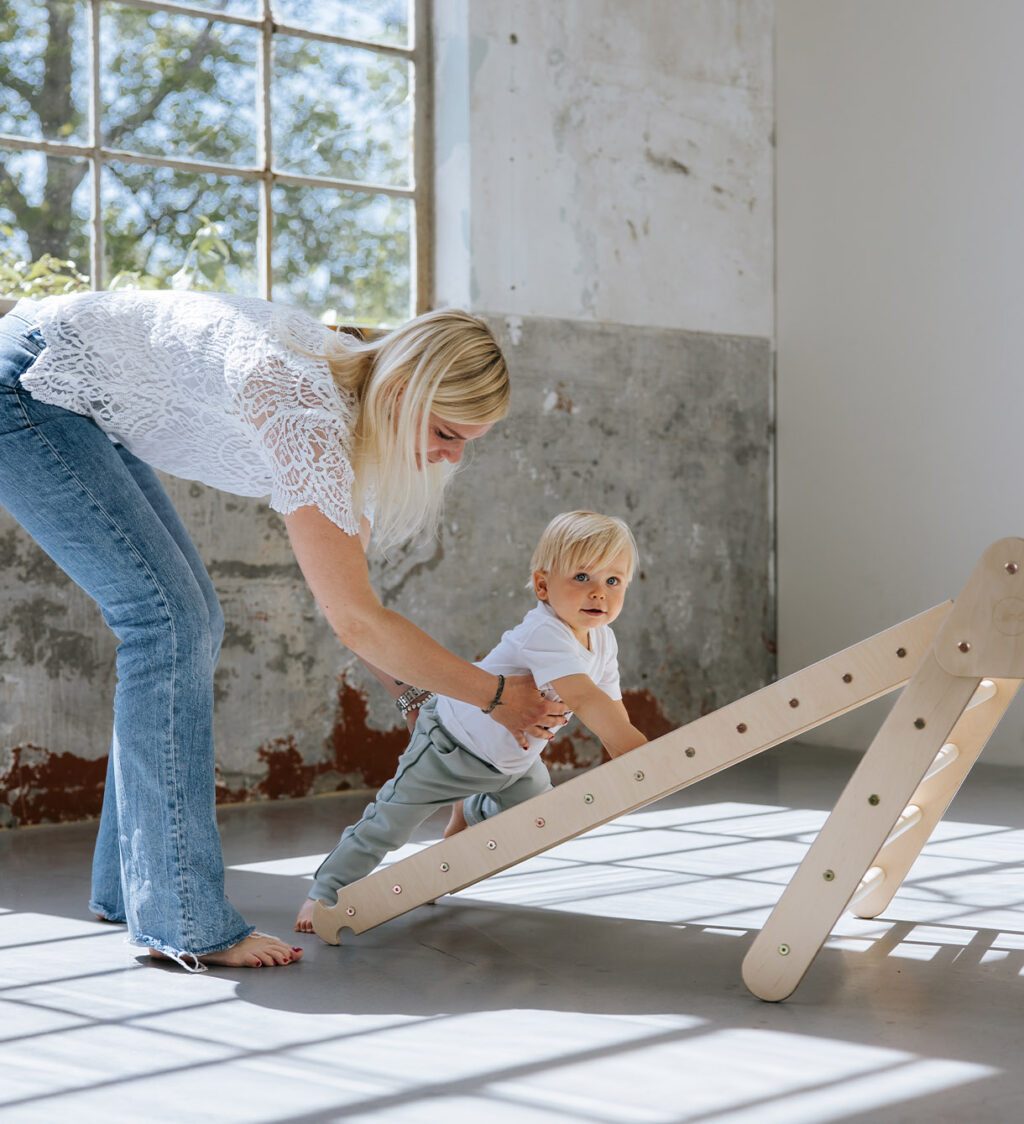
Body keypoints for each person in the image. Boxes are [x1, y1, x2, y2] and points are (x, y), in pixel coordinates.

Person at [0, 289, 567, 971]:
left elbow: (356, 605)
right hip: (30, 384)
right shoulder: (304, 409)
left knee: (185, 622)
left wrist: (424, 710)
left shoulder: (354, 411)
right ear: (403, 394)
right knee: (170, 622)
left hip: (72, 399)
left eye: (466, 445)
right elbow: (355, 617)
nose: (451, 459)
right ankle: (182, 919)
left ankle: (131, 889)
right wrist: (496, 697)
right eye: (445, 434)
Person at [295, 509, 648, 934]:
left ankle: (472, 808)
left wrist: (627, 753)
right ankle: (324, 892)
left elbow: (611, 702)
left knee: (541, 821)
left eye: (613, 581)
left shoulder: (603, 640)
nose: (599, 593)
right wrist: (636, 752)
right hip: (449, 748)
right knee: (389, 824)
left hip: (515, 765)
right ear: (542, 585)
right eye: (582, 578)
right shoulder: (545, 632)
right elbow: (585, 697)